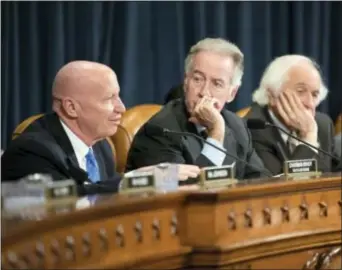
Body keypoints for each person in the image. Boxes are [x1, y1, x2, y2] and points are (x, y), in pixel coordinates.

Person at [1, 61, 200, 192]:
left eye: (118, 96)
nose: (121, 108)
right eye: (109, 99)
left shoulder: (101, 146)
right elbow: (65, 201)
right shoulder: (33, 151)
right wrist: (134, 180)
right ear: (71, 107)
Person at [126, 38, 269, 180]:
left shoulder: (237, 126)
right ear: (186, 81)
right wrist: (216, 134)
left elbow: (260, 180)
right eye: (198, 79)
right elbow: (191, 195)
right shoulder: (160, 130)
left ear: (232, 93)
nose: (204, 92)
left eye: (217, 84)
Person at [245, 55, 341, 175]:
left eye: (315, 94)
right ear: (272, 95)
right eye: (300, 91)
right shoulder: (253, 129)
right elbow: (281, 188)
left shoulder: (322, 124)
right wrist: (308, 138)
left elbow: (335, 174)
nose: (310, 103)